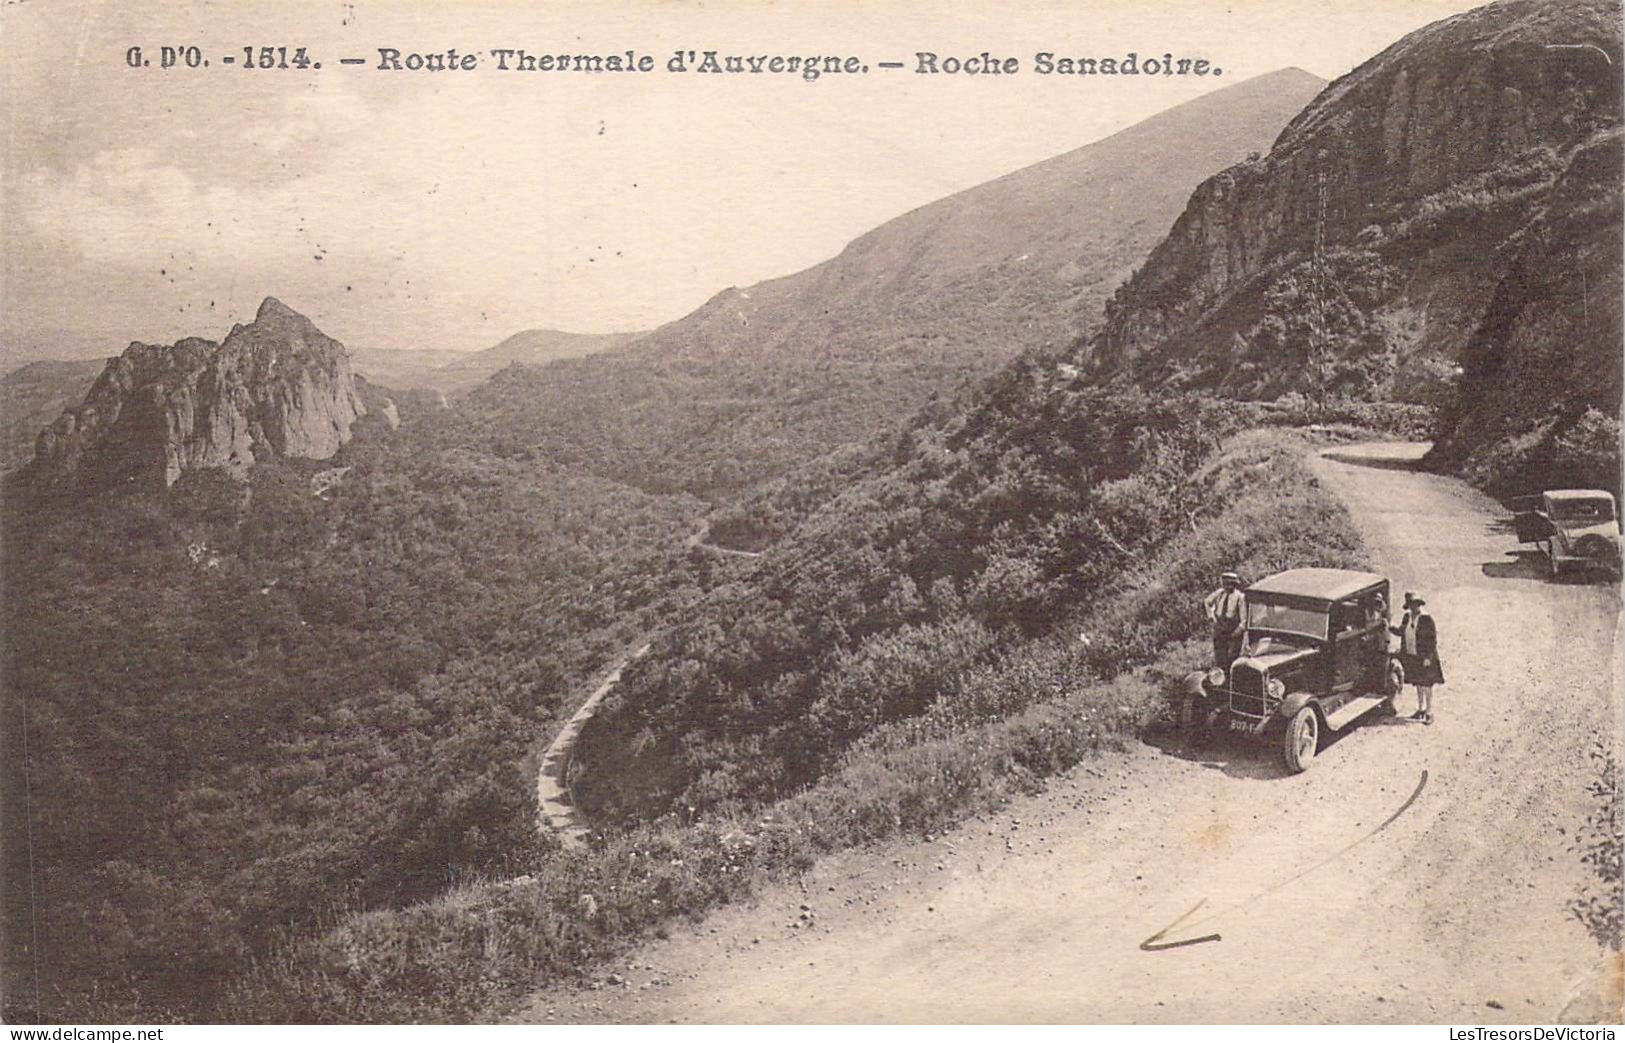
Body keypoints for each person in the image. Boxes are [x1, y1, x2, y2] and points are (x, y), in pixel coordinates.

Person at [1391, 592, 1444, 724]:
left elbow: (1432, 640)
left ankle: (1429, 712)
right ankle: (1420, 709)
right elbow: (1402, 632)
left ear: (1419, 604)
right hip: (1412, 655)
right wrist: (1390, 627)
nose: (1413, 608)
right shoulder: (1407, 617)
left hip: (1425, 657)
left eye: (1415, 605)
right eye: (1410, 605)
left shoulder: (1426, 619)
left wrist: (1428, 657)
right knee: (1418, 683)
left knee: (1427, 685)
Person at [1203, 571, 1246, 669]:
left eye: (1230, 584)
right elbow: (1207, 602)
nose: (1227, 587)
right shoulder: (1219, 593)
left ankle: (1230, 680)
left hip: (1233, 630)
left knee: (1231, 659)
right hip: (1219, 628)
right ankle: (1219, 678)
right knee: (1219, 657)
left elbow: (1244, 619)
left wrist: (1237, 632)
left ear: (1234, 584)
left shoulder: (1240, 597)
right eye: (1225, 584)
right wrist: (1211, 616)